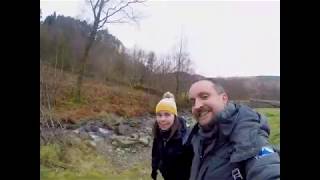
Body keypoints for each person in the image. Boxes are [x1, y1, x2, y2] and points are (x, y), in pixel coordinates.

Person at [187, 79, 280, 180]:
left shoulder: (247, 130)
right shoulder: (197, 137)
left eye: (204, 97)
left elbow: (267, 169)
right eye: (193, 102)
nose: (197, 106)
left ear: (224, 98)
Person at [151, 92, 193, 180]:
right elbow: (155, 152)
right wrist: (154, 168)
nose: (162, 119)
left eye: (167, 114)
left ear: (174, 116)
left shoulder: (186, 139)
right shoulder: (158, 132)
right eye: (159, 115)